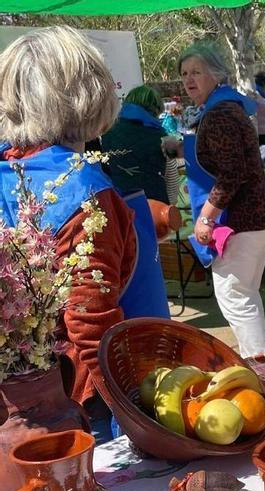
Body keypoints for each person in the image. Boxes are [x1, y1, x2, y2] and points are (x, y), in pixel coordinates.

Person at [0, 26, 169, 442]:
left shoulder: (10, 169)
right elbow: (91, 325)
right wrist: (141, 421)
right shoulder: (83, 192)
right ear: (89, 93)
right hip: (73, 405)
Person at [178, 42, 265, 358]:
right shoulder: (225, 107)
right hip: (255, 213)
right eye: (184, 74)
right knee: (245, 295)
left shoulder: (220, 113)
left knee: (235, 296)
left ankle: (264, 375)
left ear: (215, 74)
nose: (189, 79)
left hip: (243, 217)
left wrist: (207, 216)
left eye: (196, 71)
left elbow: (233, 172)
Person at [102, 85, 180, 205]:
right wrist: (169, 208)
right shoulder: (164, 138)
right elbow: (172, 180)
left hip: (118, 207)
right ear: (156, 109)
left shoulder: (106, 133)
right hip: (153, 207)